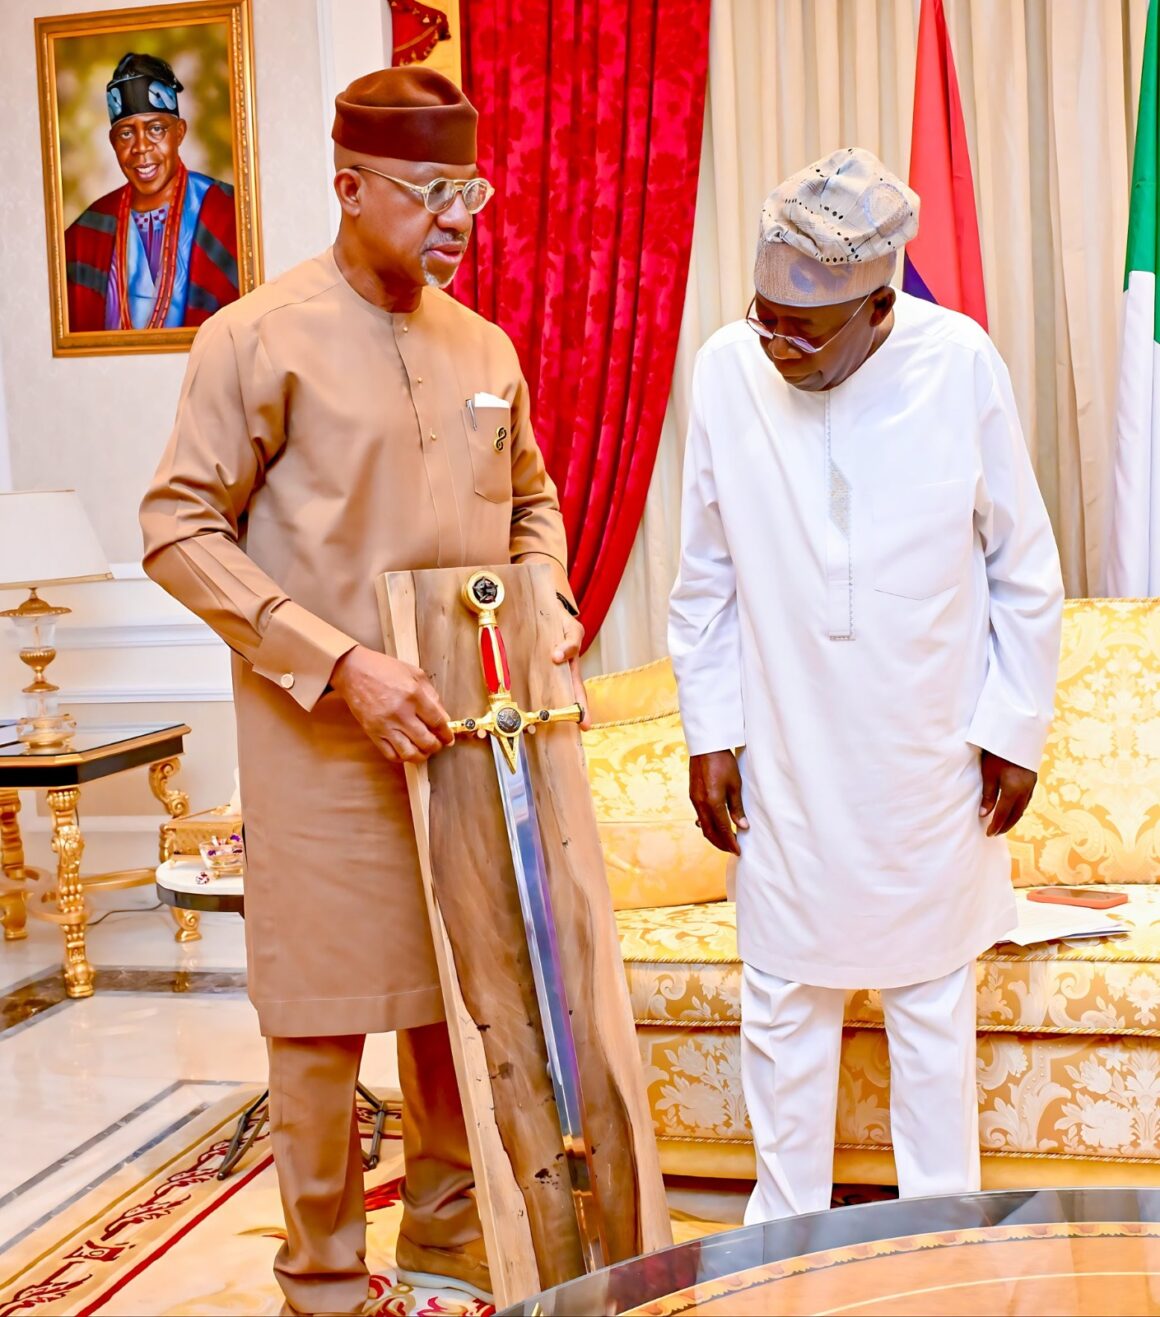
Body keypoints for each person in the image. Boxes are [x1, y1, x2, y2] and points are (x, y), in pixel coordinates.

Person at [140, 67, 583, 1314]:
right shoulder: (254, 338)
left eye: (468, 193)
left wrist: (546, 595)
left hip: (465, 732)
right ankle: (324, 1283)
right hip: (321, 742)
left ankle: (443, 1256)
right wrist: (335, 661)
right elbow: (177, 528)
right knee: (322, 1019)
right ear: (347, 186)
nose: (455, 219)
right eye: (427, 192)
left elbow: (532, 501)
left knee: (459, 1002)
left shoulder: (483, 347)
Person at [668, 148, 1063, 1224]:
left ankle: (940, 1241)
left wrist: (1012, 728)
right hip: (786, 752)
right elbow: (703, 580)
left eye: (804, 329)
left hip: (926, 752)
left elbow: (1022, 568)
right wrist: (709, 731)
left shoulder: (958, 362)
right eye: (764, 319)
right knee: (783, 1002)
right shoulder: (725, 371)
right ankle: (782, 1242)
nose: (776, 346)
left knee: (929, 1005)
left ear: (880, 305)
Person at [64, 52, 239, 332]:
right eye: (126, 133)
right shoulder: (86, 234)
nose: (141, 147)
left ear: (179, 132)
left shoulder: (228, 214)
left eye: (156, 129)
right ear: (113, 142)